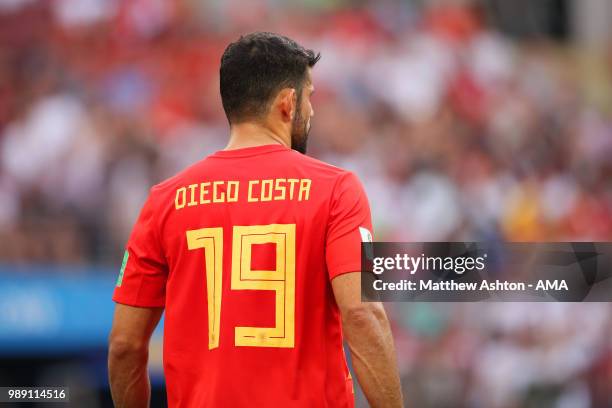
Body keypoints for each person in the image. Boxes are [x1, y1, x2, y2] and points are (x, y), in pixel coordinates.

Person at [108, 32, 403, 408]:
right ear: (288, 102)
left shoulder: (165, 201)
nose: (311, 111)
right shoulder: (336, 190)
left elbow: (124, 345)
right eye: (309, 97)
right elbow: (361, 314)